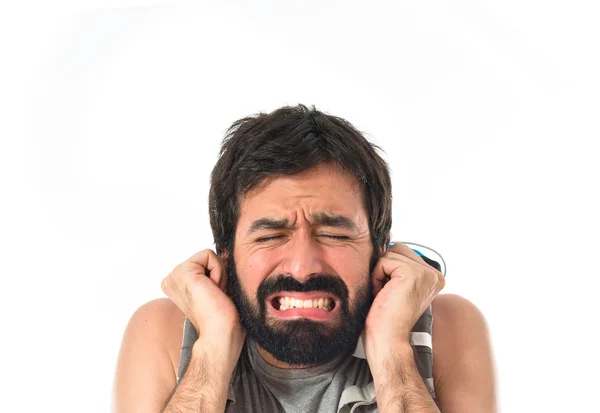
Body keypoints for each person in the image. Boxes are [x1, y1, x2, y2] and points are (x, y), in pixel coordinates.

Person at [111, 105, 496, 413]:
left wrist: (392, 348)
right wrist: (212, 349)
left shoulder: (447, 328)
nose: (302, 265)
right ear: (225, 253)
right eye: (271, 235)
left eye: (334, 234)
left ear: (381, 250)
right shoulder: (166, 330)